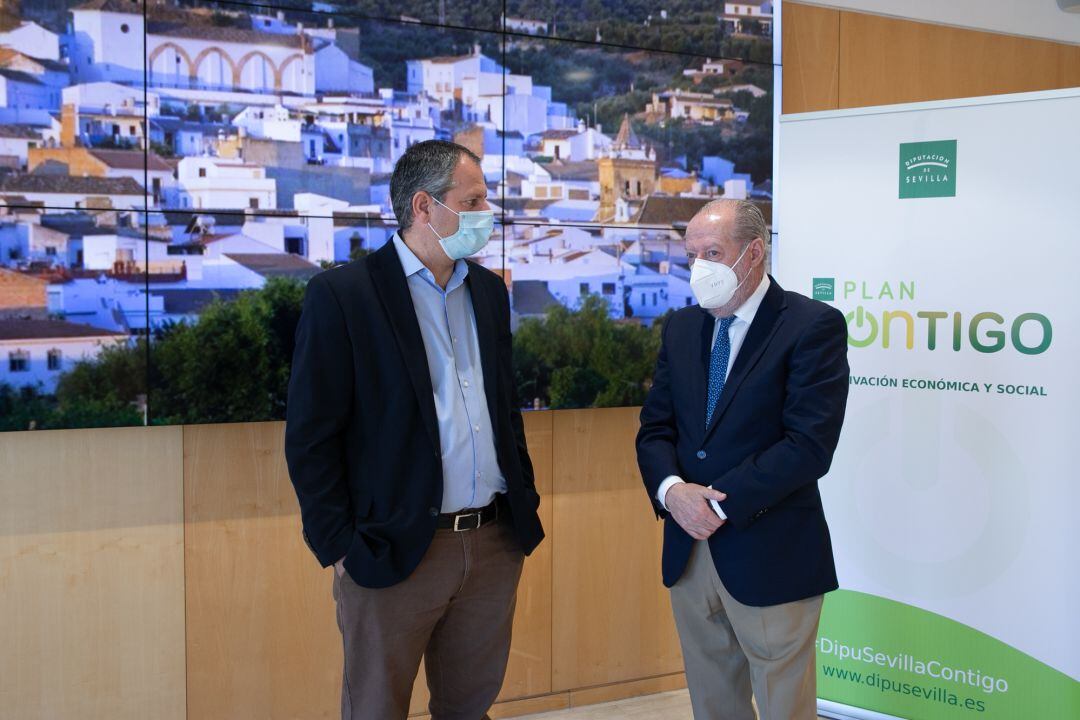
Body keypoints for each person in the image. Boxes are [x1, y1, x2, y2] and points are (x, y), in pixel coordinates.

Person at [284, 140, 544, 720]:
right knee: (376, 708)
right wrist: (340, 548)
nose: (487, 212)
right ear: (425, 207)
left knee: (470, 706)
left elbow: (503, 410)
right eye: (473, 199)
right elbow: (310, 437)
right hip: (391, 549)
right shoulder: (344, 295)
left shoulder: (485, 292)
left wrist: (522, 494)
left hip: (492, 542)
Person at [636, 199, 849, 720]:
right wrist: (672, 493)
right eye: (691, 255)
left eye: (713, 252)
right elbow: (656, 428)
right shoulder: (682, 327)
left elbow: (808, 446)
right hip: (689, 550)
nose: (699, 268)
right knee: (713, 703)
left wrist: (716, 505)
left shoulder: (811, 325)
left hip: (770, 549)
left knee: (783, 707)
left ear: (753, 253)